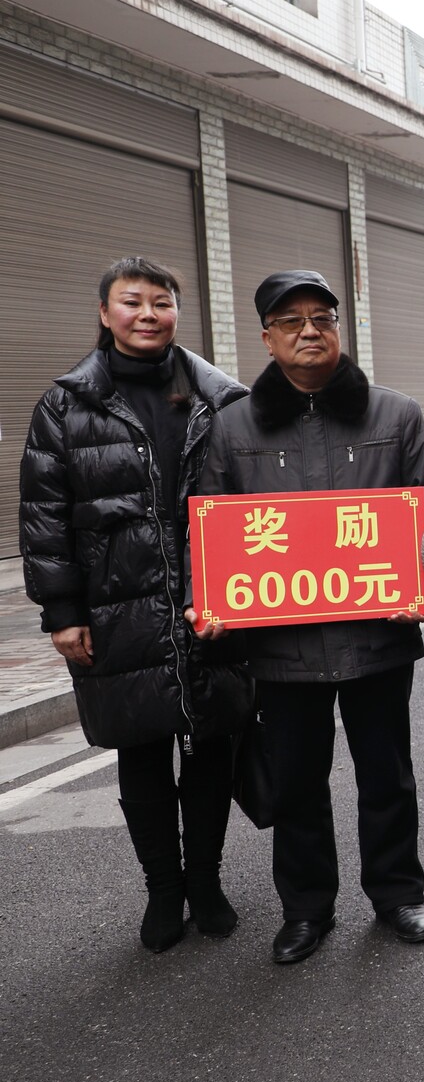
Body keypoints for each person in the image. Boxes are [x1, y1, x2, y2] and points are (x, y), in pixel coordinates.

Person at [193, 269, 424, 965]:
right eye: (292, 320)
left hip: (378, 634)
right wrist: (210, 599)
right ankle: (306, 909)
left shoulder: (394, 415)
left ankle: (398, 893)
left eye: (322, 317)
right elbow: (210, 528)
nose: (310, 330)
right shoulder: (233, 426)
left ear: (340, 327)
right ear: (268, 337)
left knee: (386, 772)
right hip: (283, 644)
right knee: (298, 779)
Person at [20, 257, 250, 953]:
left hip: (211, 600)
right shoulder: (64, 407)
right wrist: (61, 611)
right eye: (133, 301)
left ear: (178, 313)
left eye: (162, 302)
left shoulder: (221, 399)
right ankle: (163, 888)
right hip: (117, 604)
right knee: (141, 748)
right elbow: (44, 515)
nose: (148, 314)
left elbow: (252, 503)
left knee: (214, 743)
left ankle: (206, 880)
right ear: (104, 312)